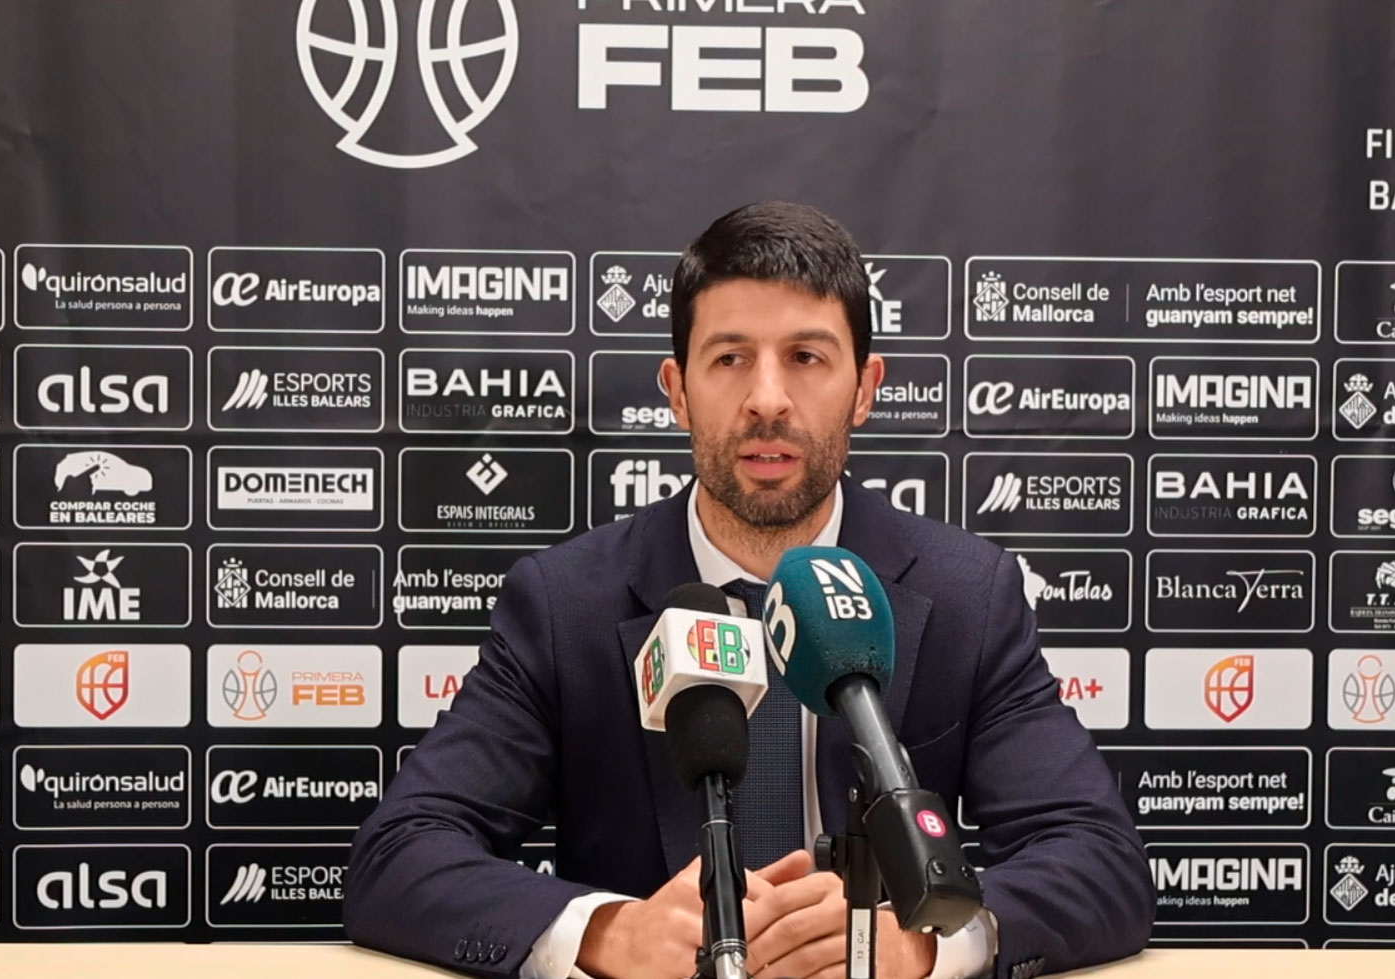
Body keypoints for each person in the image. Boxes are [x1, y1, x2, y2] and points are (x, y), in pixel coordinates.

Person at [343, 201, 1155, 979]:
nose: (768, 399)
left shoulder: (968, 596)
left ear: (865, 388)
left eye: (807, 357)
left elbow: (1100, 859)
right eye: (730, 358)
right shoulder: (565, 604)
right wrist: (606, 931)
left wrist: (921, 947)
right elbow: (402, 851)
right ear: (677, 390)